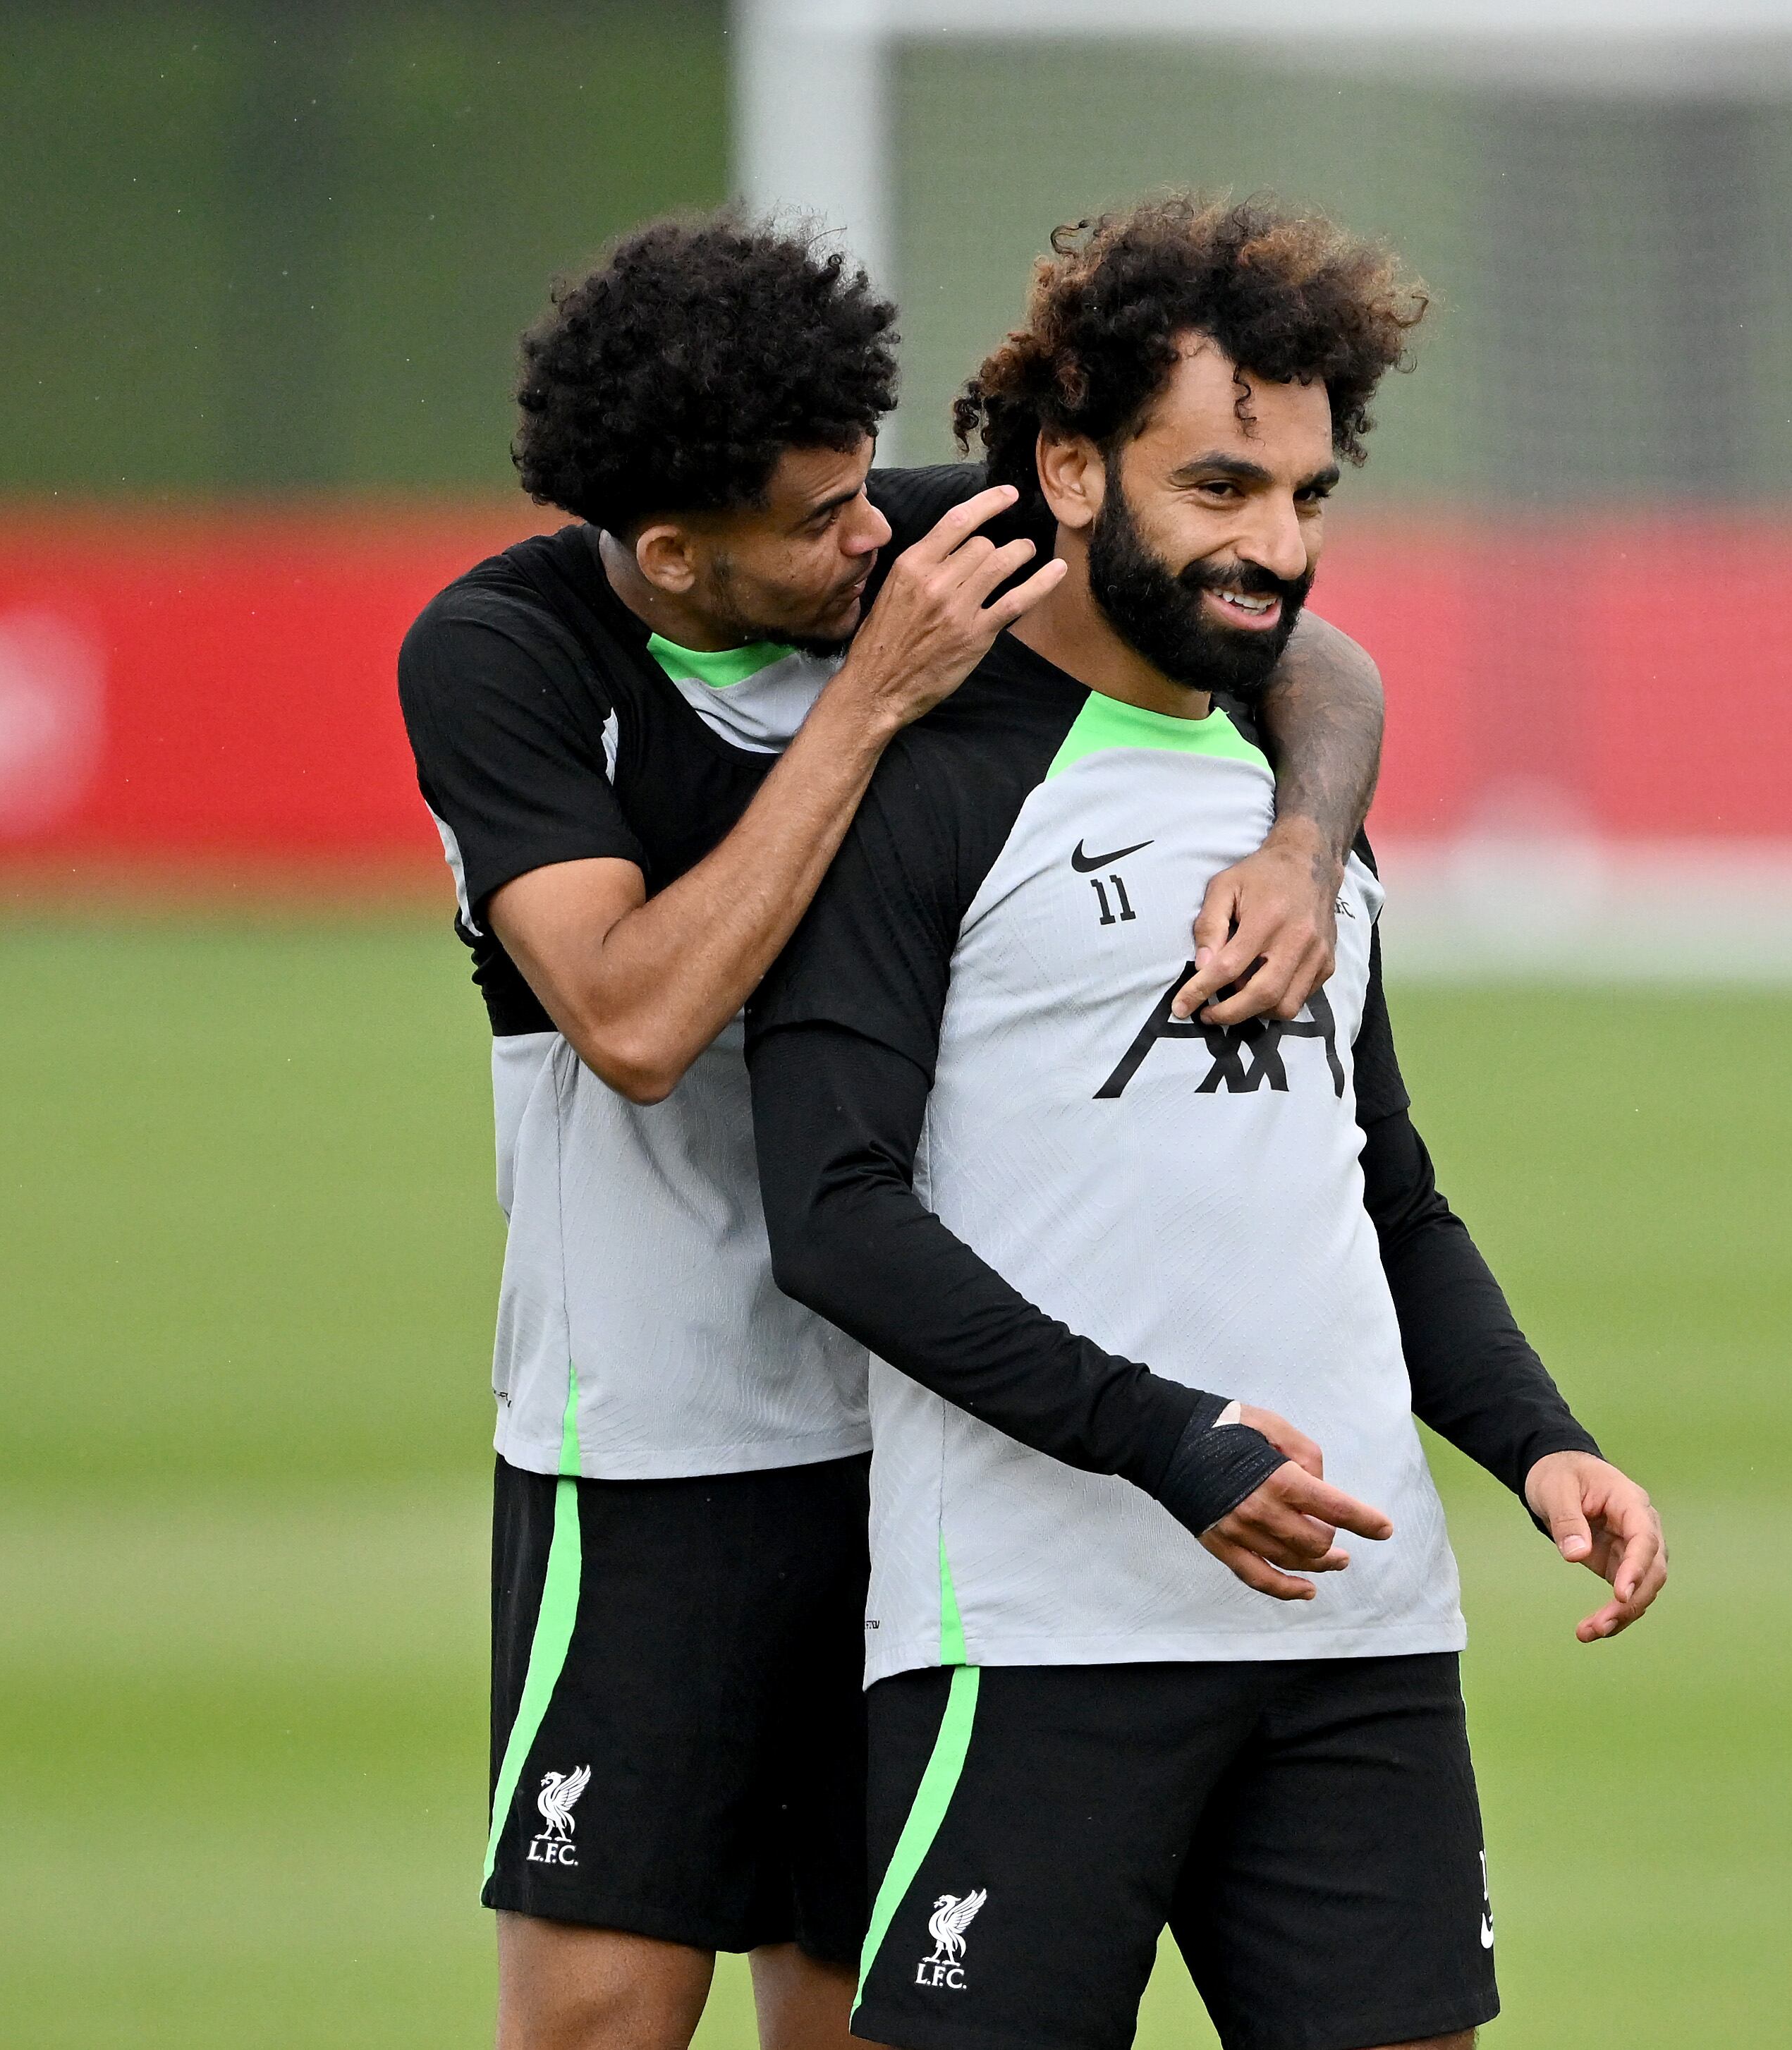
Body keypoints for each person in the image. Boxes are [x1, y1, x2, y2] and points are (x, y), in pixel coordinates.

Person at [396, 212, 1393, 2050]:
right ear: (677, 552)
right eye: (820, 517)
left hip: (926, 1431)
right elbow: (628, 1015)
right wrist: (870, 708)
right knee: (600, 2015)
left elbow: (1310, 659)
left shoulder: (922, 537)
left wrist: (1296, 849)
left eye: (873, 487)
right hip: (654, 1450)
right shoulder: (504, 656)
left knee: (867, 2008)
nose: (877, 535)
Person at [747, 195, 1669, 2050]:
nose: (1273, 549)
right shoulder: (925, 779)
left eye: (1307, 499)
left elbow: (1379, 1190)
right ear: (1072, 471)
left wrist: (1535, 1441)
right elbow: (831, 1212)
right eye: (1221, 487)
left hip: (1354, 1627)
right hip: (1035, 1632)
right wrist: (1165, 1443)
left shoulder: (1296, 794)